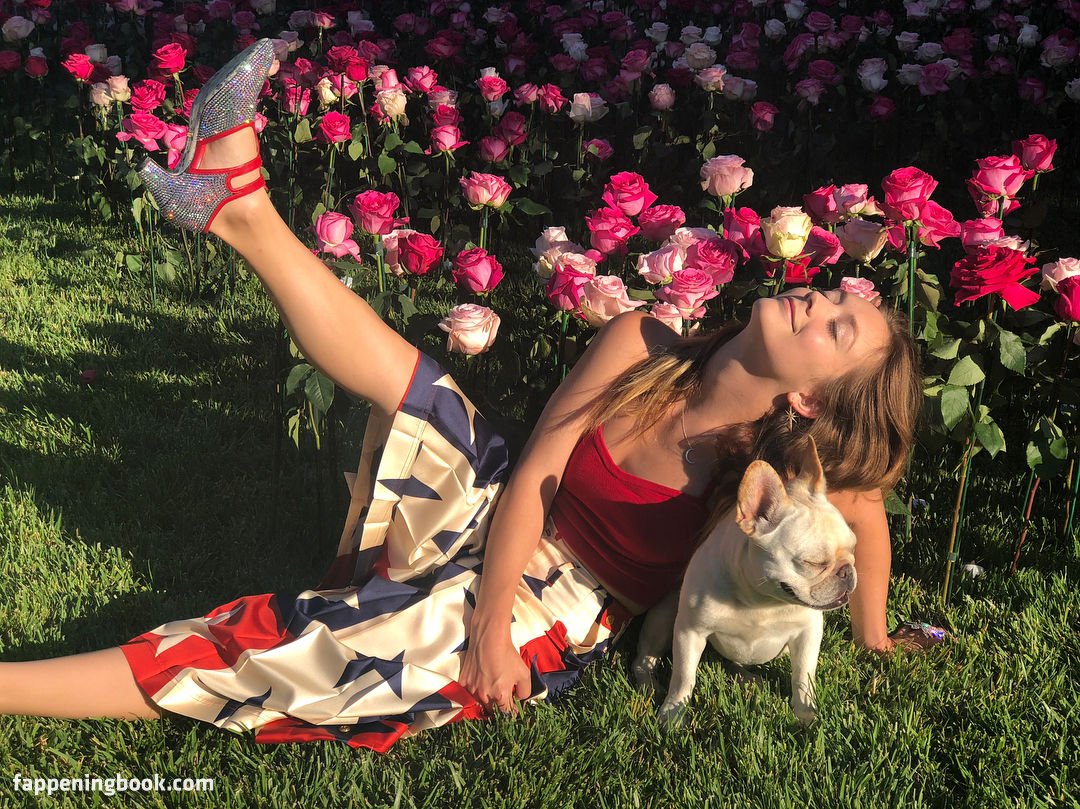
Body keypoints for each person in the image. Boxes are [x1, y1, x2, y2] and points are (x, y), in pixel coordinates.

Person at [0, 41, 939, 752]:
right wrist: (489, 612)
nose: (821, 300)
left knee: (346, 652)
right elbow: (533, 472)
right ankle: (240, 203)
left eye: (837, 329)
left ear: (812, 401)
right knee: (427, 390)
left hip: (566, 600)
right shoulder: (645, 341)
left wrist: (875, 638)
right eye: (834, 299)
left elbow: (865, 520)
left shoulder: (783, 466)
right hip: (503, 509)